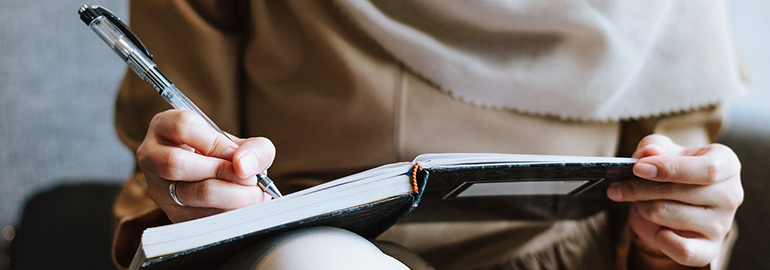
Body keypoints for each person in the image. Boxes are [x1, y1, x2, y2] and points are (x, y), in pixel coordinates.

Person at [111, 1, 746, 269]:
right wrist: (192, 193)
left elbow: (679, 198)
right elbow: (175, 153)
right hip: (299, 250)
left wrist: (677, 232)